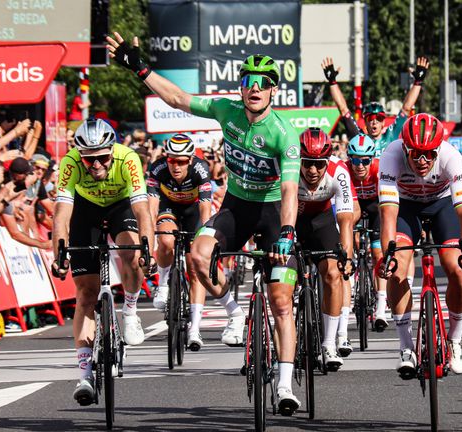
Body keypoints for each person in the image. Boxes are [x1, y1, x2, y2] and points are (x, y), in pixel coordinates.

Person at [106, 32, 303, 414]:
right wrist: (140, 68)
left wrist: (288, 232)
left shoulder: (283, 133)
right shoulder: (226, 111)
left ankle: (283, 385)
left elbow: (292, 191)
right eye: (248, 82)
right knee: (197, 256)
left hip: (275, 211)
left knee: (281, 302)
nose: (254, 88)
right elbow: (178, 99)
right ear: (241, 88)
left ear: (273, 90)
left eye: (262, 83)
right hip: (236, 205)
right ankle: (234, 307)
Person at [50, 118, 156, 406]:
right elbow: (61, 215)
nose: (95, 165)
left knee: (131, 253)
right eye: (89, 160)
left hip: (122, 205)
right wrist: (58, 254)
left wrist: (149, 250)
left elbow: (143, 211)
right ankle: (84, 374)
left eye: (101, 158)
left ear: (112, 151)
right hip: (86, 210)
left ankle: (131, 311)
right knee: (85, 293)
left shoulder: (128, 158)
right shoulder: (70, 163)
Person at [377, 113, 462, 378]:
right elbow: (388, 213)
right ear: (405, 148)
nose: (422, 162)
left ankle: (455, 338)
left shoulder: (451, 157)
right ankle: (406, 346)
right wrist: (388, 253)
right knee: (397, 266)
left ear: (438, 151)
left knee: (456, 267)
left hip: (442, 204)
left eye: (429, 155)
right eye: (416, 154)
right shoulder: (390, 156)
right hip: (405, 206)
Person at [295, 127, 358, 369]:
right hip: (291, 220)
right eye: (307, 163)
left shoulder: (338, 171)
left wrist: (348, 257)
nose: (312, 170)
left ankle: (329, 344)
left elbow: (345, 219)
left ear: (327, 161)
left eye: (318, 164)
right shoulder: (286, 167)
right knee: (283, 280)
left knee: (333, 273)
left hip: (322, 222)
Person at [147, 133, 213, 351]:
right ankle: (164, 284)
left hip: (193, 211)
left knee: (195, 268)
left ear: (191, 160)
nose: (176, 166)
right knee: (165, 240)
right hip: (169, 208)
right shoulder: (157, 169)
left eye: (182, 161)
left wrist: (205, 236)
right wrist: (147, 236)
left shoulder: (201, 170)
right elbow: (151, 208)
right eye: (172, 160)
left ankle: (195, 328)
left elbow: (205, 209)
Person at [322, 56, 430, 156]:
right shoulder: (359, 137)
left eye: (378, 118)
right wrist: (332, 82)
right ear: (365, 122)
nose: (374, 122)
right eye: (370, 118)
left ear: (383, 122)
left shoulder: (391, 136)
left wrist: (418, 82)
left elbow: (406, 108)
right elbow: (343, 109)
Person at [345, 133, 391, 335]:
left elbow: (386, 205)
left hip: (375, 207)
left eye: (365, 160)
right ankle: (354, 274)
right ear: (349, 159)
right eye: (355, 160)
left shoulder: (380, 169)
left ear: (371, 159)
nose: (360, 165)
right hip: (353, 205)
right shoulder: (345, 171)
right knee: (351, 243)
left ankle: (381, 309)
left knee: (378, 254)